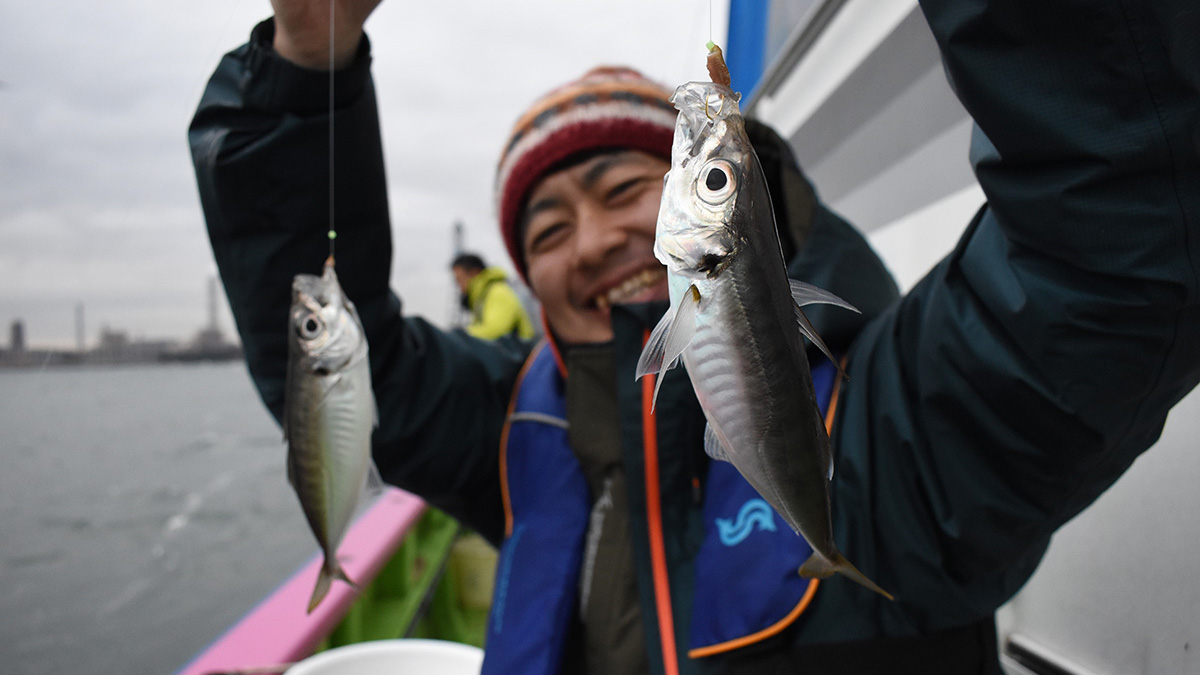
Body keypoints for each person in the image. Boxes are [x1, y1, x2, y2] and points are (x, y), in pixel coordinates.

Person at [189, 1, 1200, 673]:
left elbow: (1117, 238)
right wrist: (304, 61)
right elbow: (319, 349)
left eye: (630, 188)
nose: (593, 242)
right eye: (545, 230)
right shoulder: (509, 430)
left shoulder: (899, 420)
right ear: (527, 278)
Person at [450, 253, 536, 341]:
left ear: (475, 273)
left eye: (459, 280)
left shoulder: (497, 291)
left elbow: (496, 330)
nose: (459, 287)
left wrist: (459, 336)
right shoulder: (481, 299)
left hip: (519, 352)